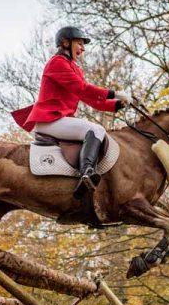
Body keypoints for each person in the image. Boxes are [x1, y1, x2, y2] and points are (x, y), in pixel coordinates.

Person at [11, 26, 134, 199]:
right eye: (79, 43)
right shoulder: (57, 63)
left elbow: (90, 99)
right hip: (50, 119)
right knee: (96, 130)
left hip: (58, 120)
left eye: (83, 45)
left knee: (94, 129)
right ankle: (86, 172)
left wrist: (117, 105)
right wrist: (114, 93)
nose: (83, 48)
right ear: (65, 43)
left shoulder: (75, 68)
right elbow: (82, 88)